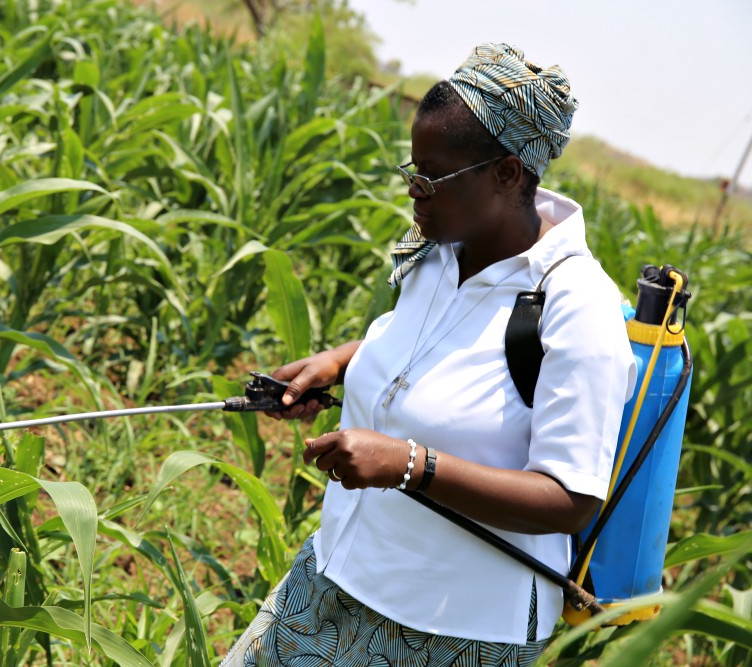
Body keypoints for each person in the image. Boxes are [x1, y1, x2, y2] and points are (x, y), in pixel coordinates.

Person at [222, 43, 637, 666]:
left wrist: (412, 463)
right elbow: (434, 342)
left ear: (507, 173)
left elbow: (570, 499)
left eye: (432, 178)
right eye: (410, 171)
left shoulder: (578, 308)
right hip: (335, 572)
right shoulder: (439, 246)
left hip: (452, 628)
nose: (414, 192)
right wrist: (340, 362)